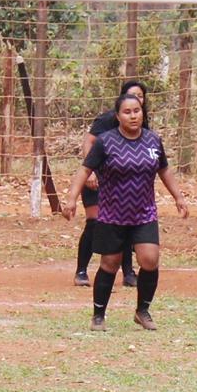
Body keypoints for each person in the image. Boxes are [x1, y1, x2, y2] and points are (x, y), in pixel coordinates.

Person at [62, 93, 188, 332]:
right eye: (127, 112)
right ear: (118, 116)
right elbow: (84, 171)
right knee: (110, 263)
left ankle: (143, 311)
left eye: (137, 111)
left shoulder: (153, 140)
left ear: (143, 113)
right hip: (112, 214)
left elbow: (165, 170)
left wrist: (179, 197)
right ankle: (98, 314)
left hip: (144, 214)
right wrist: (71, 200)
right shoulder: (106, 142)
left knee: (150, 260)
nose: (133, 116)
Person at [73, 80, 150, 288]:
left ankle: (127, 272)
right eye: (133, 95)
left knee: (125, 224)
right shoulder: (108, 119)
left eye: (141, 96)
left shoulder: (143, 124)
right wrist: (91, 172)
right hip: (97, 180)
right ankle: (81, 270)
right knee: (94, 222)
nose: (138, 99)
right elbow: (88, 141)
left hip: (121, 187)